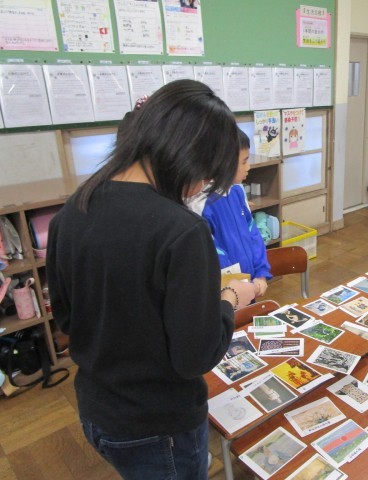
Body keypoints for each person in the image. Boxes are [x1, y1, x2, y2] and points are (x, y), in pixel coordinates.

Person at [46, 80, 257, 480]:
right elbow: (196, 356)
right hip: (159, 424)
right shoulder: (182, 231)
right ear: (187, 155)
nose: (201, 186)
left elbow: (68, 321)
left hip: (97, 410)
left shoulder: (73, 210)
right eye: (206, 175)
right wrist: (230, 297)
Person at [196, 129, 271, 297]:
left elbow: (253, 233)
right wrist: (240, 285)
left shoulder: (237, 190)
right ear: (224, 162)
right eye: (244, 162)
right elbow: (214, 254)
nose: (248, 167)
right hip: (227, 293)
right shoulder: (203, 204)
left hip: (249, 285)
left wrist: (261, 273)